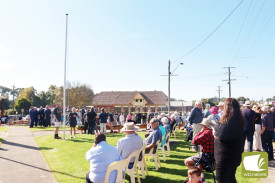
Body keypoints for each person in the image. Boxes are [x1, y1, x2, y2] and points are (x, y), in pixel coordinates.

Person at [214, 98, 245, 183]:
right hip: (233, 155)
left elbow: (219, 135)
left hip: (225, 157)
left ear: (227, 107)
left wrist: (215, 129)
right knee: (230, 178)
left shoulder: (229, 121)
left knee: (221, 178)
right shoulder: (238, 120)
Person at [184, 118, 215, 182]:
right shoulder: (214, 131)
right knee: (199, 164)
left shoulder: (207, 132)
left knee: (187, 161)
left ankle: (199, 178)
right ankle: (201, 178)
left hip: (206, 156)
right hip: (213, 155)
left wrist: (200, 132)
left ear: (204, 126)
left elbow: (194, 141)